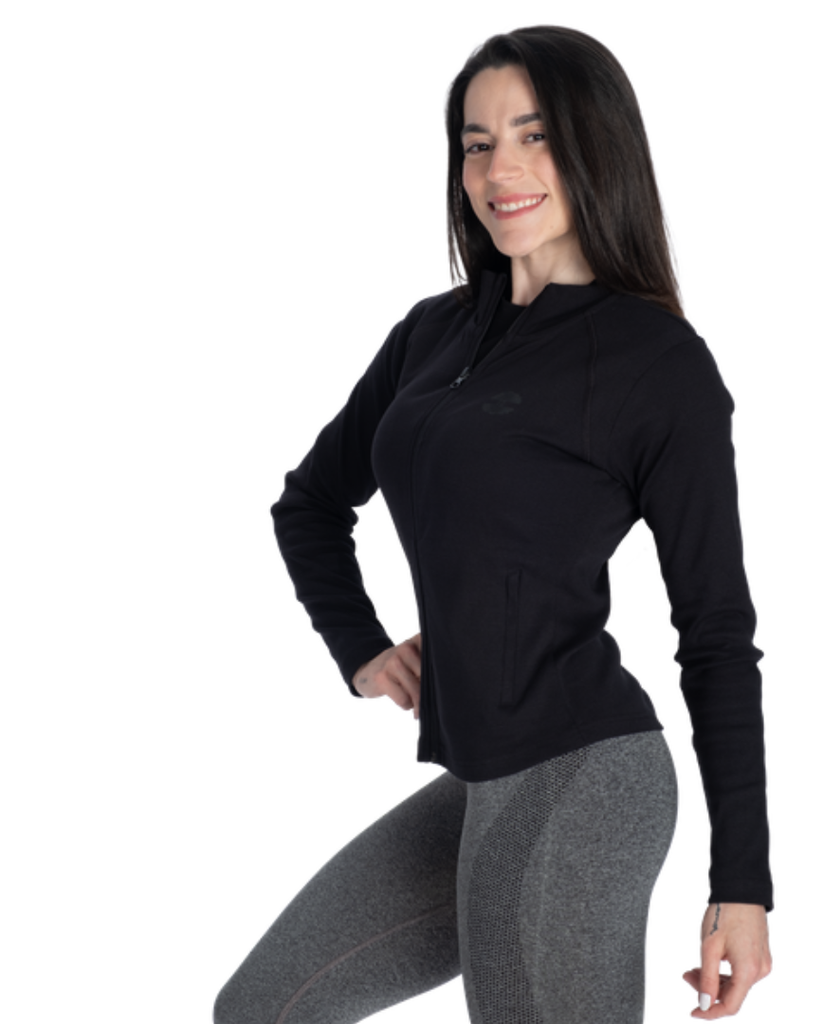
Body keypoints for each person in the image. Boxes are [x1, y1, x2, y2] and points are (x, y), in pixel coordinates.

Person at [214, 24, 773, 1024]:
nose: (499, 169)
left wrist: (743, 886)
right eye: (477, 143)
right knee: (263, 1007)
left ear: (596, 146)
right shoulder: (434, 333)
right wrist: (359, 647)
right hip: (480, 780)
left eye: (534, 135)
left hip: (586, 777)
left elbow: (718, 635)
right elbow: (310, 504)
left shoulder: (656, 363)